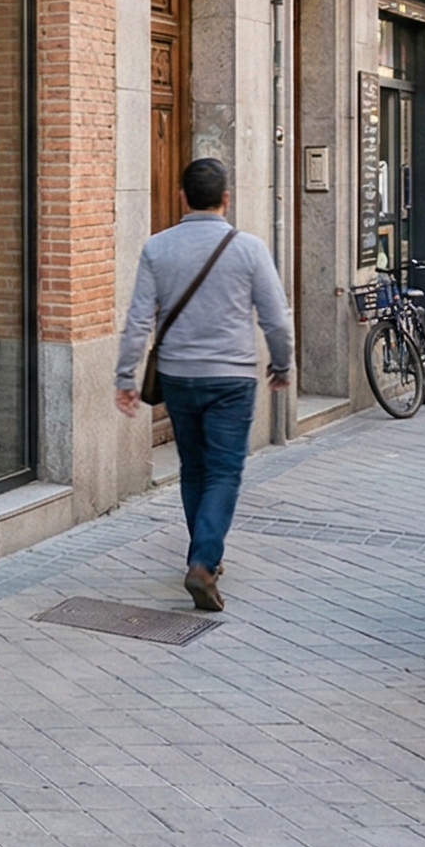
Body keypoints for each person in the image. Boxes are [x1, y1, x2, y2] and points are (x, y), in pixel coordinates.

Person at [115, 157, 294, 614]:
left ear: (182, 197)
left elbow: (138, 319)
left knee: (194, 469)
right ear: (226, 199)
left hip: (178, 377)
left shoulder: (157, 248)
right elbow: (276, 317)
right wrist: (281, 365)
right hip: (233, 378)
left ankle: (204, 554)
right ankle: (203, 560)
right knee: (224, 471)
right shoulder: (250, 248)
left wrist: (126, 376)